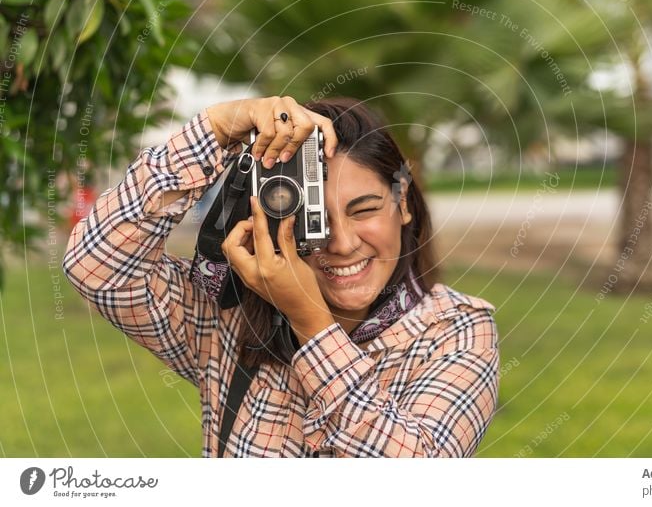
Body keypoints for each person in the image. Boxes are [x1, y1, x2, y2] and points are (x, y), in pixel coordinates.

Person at [62, 96, 499, 457]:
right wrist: (216, 127)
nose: (343, 243)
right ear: (271, 215)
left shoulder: (457, 330)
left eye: (364, 210)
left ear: (402, 204)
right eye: (314, 219)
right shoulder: (232, 316)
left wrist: (310, 322)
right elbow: (96, 265)